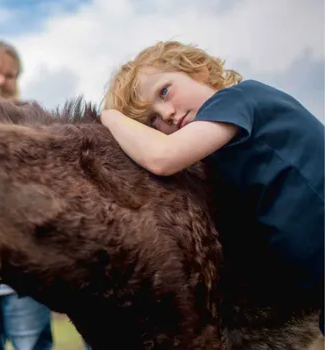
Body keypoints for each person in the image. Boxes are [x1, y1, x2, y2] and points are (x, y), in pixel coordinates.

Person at [99, 40, 324, 334]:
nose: (166, 114)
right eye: (152, 120)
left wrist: (109, 117)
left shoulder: (238, 98)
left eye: (164, 91)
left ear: (200, 70)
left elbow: (162, 156)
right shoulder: (222, 154)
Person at [0, 39, 54, 350]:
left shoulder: (30, 122)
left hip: (25, 273)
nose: (1, 81)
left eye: (10, 75)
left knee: (33, 345)